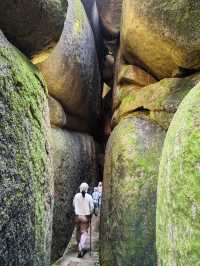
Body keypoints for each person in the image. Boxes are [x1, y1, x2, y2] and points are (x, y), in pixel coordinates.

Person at [73, 182, 94, 258]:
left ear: (80, 188)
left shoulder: (76, 196)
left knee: (78, 230)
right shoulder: (89, 197)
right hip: (85, 217)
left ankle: (78, 243)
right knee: (84, 232)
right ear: (87, 189)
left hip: (77, 216)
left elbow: (73, 204)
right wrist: (91, 214)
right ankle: (81, 246)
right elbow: (91, 207)